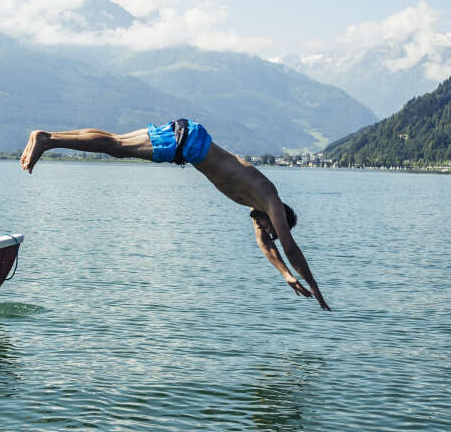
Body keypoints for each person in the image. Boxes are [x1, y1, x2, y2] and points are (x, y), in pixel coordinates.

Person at [20, 119, 332, 311]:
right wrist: (315, 287)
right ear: (280, 220)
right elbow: (287, 247)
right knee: (116, 145)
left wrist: (286, 276)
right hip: (188, 144)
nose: (267, 232)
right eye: (274, 229)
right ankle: (48, 139)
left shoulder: (255, 206)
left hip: (188, 138)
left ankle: (49, 137)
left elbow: (267, 246)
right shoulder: (270, 199)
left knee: (116, 143)